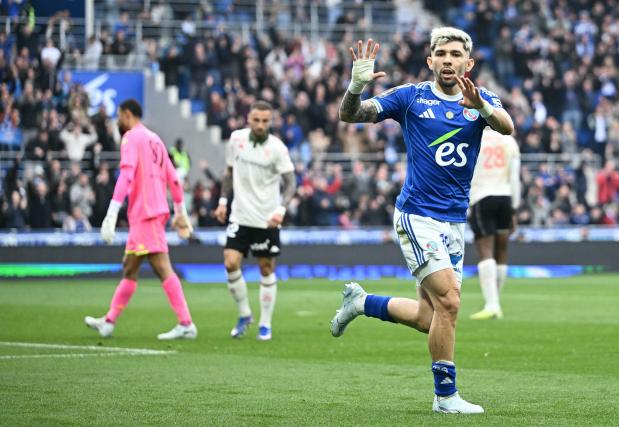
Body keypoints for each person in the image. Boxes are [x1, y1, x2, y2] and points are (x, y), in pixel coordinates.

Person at [329, 29, 514, 414]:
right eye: (441, 54)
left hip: (453, 223)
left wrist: (480, 107)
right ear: (430, 61)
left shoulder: (479, 100)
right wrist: (355, 86)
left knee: (429, 317)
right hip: (417, 216)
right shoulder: (410, 98)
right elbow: (351, 115)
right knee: (449, 301)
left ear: (469, 63)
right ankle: (445, 397)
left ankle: (361, 303)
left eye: (455, 54)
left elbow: (507, 126)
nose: (448, 60)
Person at [84, 99, 197, 340]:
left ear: (127, 114)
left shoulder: (131, 138)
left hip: (145, 212)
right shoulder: (155, 139)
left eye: (119, 116)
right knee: (130, 266)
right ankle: (109, 321)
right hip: (151, 212)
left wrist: (112, 211)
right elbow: (174, 179)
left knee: (161, 267)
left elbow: (126, 174)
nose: (118, 121)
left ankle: (186, 322)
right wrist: (180, 212)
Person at [213, 100, 296, 341]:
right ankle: (244, 314)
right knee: (230, 262)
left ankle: (265, 324)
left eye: (265, 121)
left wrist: (281, 208)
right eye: (256, 120)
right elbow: (229, 172)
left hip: (267, 218)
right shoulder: (236, 140)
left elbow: (291, 182)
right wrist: (222, 201)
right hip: (240, 214)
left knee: (266, 268)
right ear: (248, 119)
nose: (260, 125)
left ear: (271, 122)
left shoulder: (278, 148)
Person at [468, 127, 521, 320]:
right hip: (505, 196)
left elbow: (469, 172)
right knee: (502, 251)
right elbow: (515, 178)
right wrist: (514, 208)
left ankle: (492, 304)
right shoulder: (509, 141)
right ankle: (495, 301)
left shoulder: (474, 137)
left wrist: (468, 204)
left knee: (485, 250)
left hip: (482, 196)